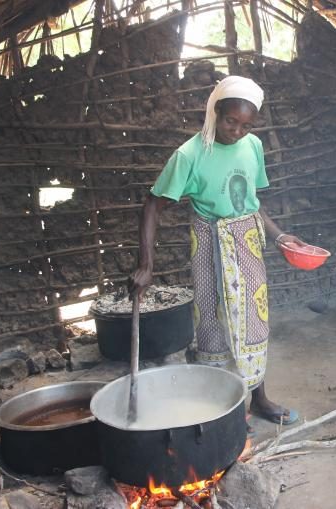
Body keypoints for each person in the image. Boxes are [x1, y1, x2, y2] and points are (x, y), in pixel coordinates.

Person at [129, 75, 305, 426]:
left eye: (245, 125)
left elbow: (251, 203)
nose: (237, 131)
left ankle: (259, 399)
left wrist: (280, 236)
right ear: (214, 111)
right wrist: (145, 264)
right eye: (230, 121)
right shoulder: (190, 155)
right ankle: (224, 405)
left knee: (252, 321)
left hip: (247, 242)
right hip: (210, 241)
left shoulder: (252, 146)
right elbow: (152, 204)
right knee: (212, 321)